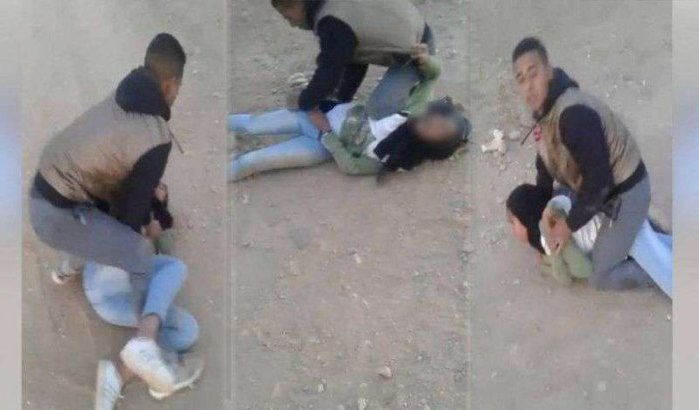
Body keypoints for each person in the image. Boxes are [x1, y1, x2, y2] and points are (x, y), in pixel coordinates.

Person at [27, 33, 203, 409]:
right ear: (171, 84)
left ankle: (69, 273)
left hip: (47, 195)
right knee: (170, 301)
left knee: (146, 255)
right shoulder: (154, 135)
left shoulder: (123, 95)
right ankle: (142, 350)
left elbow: (111, 186)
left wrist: (149, 206)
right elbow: (129, 220)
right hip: (65, 223)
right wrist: (152, 227)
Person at [510, 36, 667, 292]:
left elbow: (600, 184)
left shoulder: (572, 115)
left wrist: (567, 226)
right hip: (603, 192)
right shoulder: (544, 117)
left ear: (549, 72)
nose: (528, 86)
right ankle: (637, 236)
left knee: (599, 276)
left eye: (533, 73)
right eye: (521, 79)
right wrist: (541, 235)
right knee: (563, 198)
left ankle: (658, 272)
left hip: (626, 193)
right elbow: (545, 178)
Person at [229, 44, 470, 181]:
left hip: (321, 144)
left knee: (251, 161)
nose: (434, 123)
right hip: (324, 110)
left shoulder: (396, 157)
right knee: (251, 125)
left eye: (440, 131)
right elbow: (432, 75)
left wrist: (326, 133)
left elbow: (352, 166)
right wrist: (427, 60)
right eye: (440, 119)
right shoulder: (414, 108)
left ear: (433, 147)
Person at [269, 0, 435, 128]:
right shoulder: (334, 9)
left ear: (297, 4)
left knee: (379, 110)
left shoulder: (331, 23)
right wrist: (342, 97)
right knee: (337, 65)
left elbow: (329, 73)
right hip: (411, 28)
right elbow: (356, 54)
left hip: (418, 52)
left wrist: (305, 103)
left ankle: (420, 116)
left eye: (288, 17)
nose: (292, 24)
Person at [506, 183, 673, 296]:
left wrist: (549, 262)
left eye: (513, 222)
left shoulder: (555, 231)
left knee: (599, 278)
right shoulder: (556, 202)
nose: (512, 229)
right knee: (652, 245)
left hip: (617, 226)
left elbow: (582, 269)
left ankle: (652, 273)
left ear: (528, 218)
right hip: (617, 217)